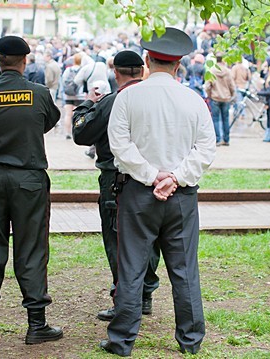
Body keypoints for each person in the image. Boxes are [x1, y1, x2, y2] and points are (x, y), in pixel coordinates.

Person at [100, 27, 216, 356]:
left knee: (131, 267)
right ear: (179, 64)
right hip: (181, 197)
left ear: (148, 60)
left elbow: (119, 146)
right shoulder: (193, 101)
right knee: (184, 270)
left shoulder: (128, 98)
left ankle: (121, 340)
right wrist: (175, 178)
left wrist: (152, 176)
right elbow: (206, 149)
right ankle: (191, 340)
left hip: (138, 193)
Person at [0, 36, 63, 344]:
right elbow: (47, 123)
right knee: (31, 248)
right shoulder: (39, 93)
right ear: (24, 60)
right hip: (28, 179)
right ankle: (36, 324)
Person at [72, 50, 161, 323]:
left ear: (115, 73)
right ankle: (144, 294)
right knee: (150, 239)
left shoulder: (114, 101)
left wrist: (88, 104)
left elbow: (81, 133)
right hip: (156, 177)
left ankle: (124, 298)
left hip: (117, 180)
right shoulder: (157, 98)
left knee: (118, 241)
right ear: (142, 69)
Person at [205, 53, 236, 146]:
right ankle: (226, 139)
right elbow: (232, 86)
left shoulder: (212, 71)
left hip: (215, 97)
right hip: (226, 98)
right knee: (225, 119)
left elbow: (207, 86)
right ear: (223, 59)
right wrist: (231, 95)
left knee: (215, 119)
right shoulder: (228, 71)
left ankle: (217, 139)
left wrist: (209, 95)